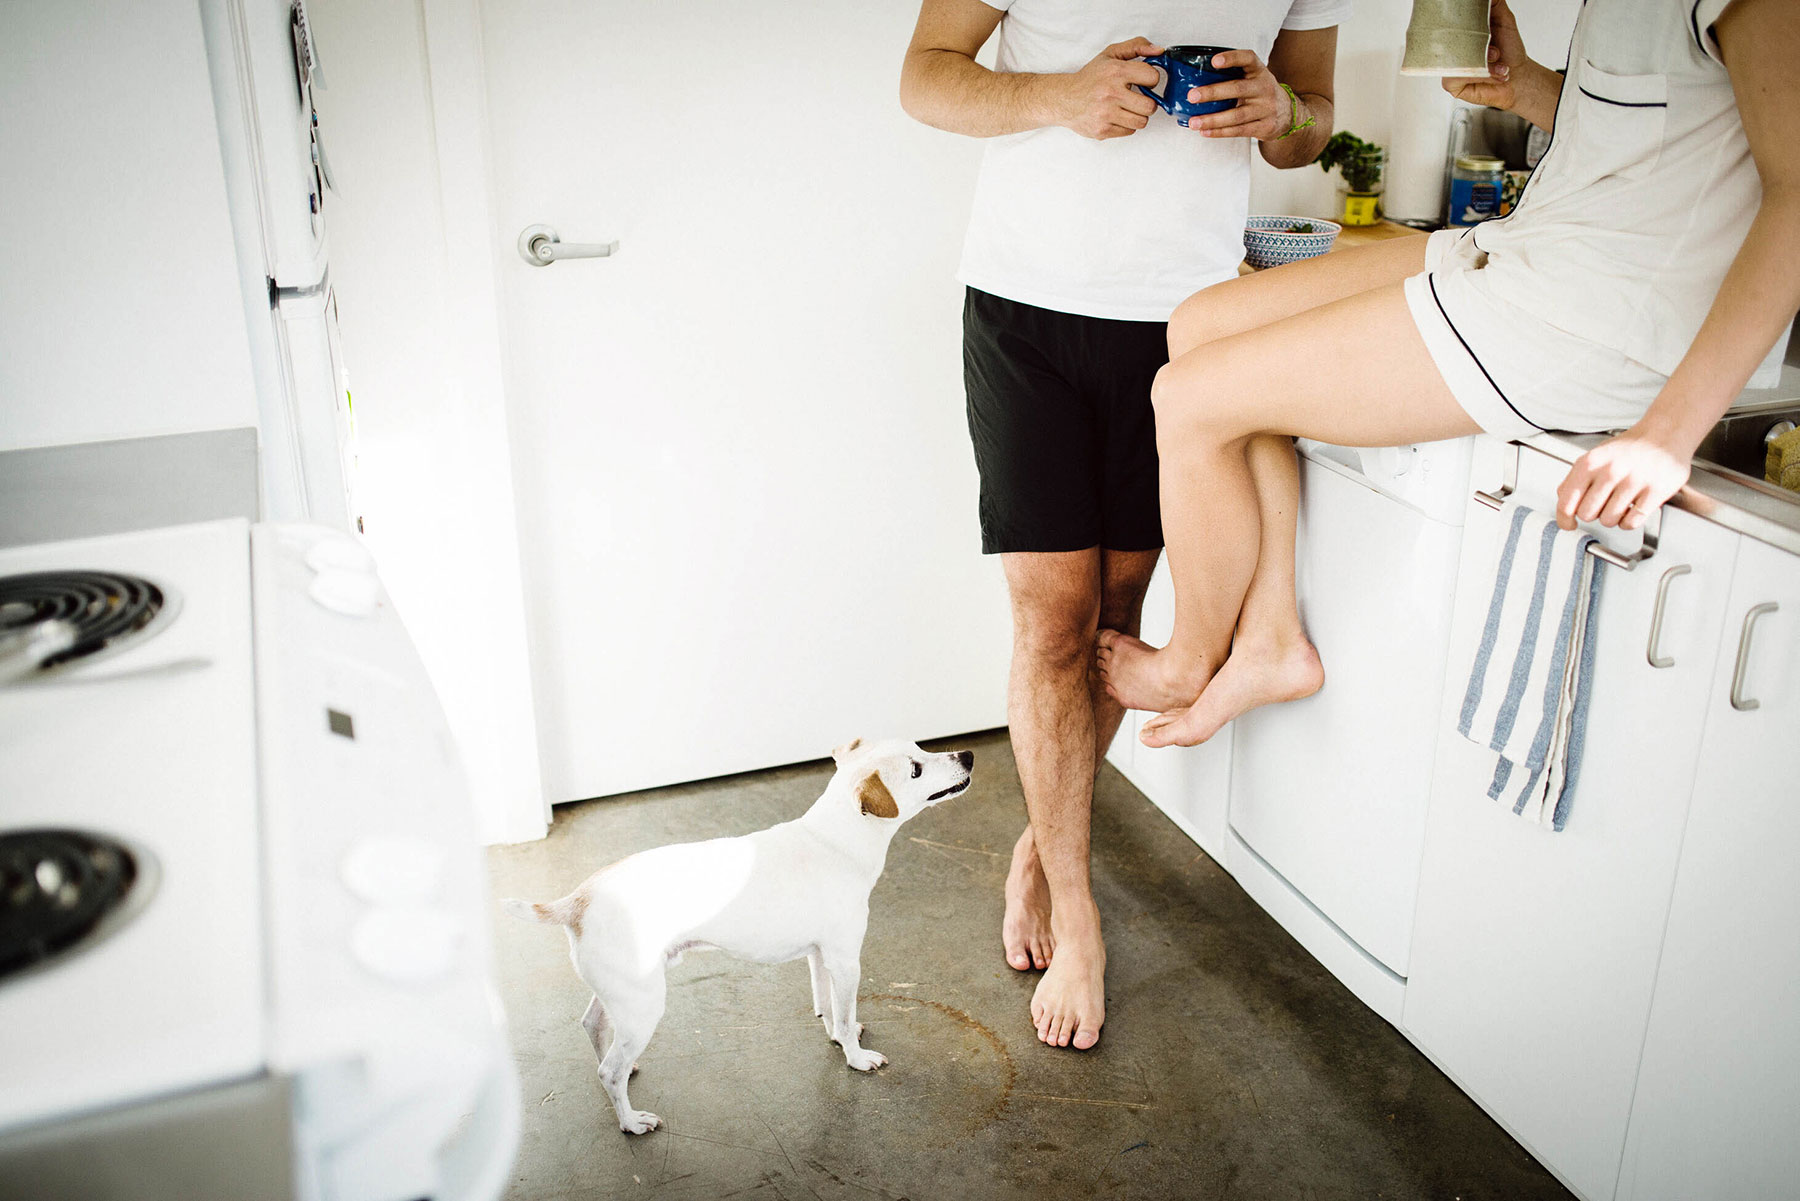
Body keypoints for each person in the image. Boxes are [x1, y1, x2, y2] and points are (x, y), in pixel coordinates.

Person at [1098, 0, 1800, 749]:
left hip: (1597, 317)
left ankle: (1188, 661)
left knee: (1188, 399)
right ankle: (1270, 638)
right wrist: (1526, 86)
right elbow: (1669, 132)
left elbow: (1794, 188)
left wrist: (1667, 434)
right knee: (1200, 325)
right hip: (1534, 250)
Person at [900, 0, 1346, 1050]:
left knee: (1119, 612)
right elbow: (925, 75)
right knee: (1054, 624)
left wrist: (1281, 108)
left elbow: (1314, 120)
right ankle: (1081, 911)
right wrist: (1060, 94)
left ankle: (1040, 850)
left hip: (1186, 321)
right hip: (1027, 308)